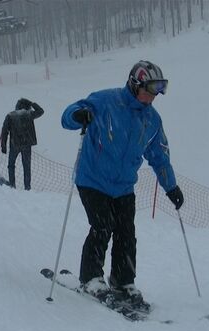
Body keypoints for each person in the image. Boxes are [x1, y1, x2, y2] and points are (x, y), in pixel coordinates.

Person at [60, 60, 184, 307]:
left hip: (124, 185)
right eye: (148, 91)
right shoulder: (106, 101)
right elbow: (68, 116)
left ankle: (123, 281)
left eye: (156, 92)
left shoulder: (152, 120)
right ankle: (91, 278)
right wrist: (77, 115)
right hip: (93, 179)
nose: (152, 97)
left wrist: (171, 187)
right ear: (134, 84)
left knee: (127, 232)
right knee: (103, 225)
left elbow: (159, 156)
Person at [0, 97, 44, 190]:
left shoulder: (10, 116)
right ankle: (27, 187)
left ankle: (12, 185)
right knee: (26, 166)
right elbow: (41, 111)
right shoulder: (29, 114)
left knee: (11, 165)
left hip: (14, 144)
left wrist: (3, 145)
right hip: (26, 145)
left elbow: (4, 132)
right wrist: (32, 103)